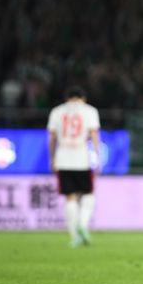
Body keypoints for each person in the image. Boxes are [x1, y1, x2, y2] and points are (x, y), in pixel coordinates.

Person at [47, 86, 100, 248]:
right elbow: (94, 134)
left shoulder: (57, 111)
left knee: (69, 197)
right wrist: (97, 156)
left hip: (63, 157)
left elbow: (52, 138)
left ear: (66, 98)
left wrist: (52, 158)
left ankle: (74, 237)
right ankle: (83, 224)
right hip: (81, 157)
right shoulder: (90, 111)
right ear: (83, 98)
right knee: (88, 193)